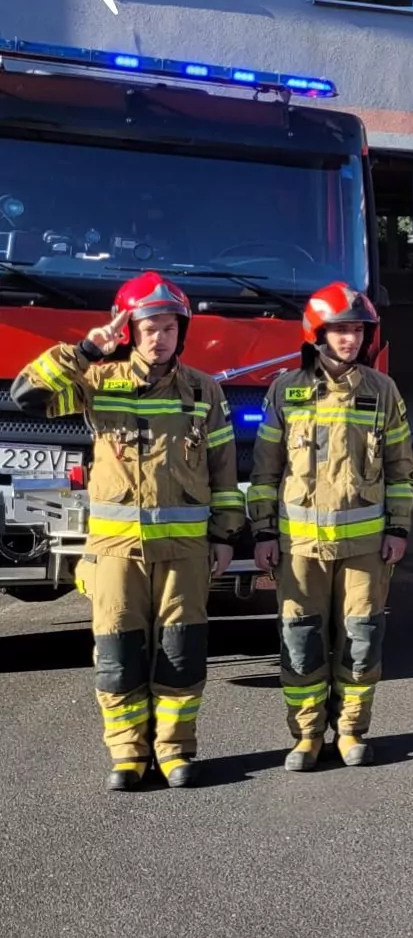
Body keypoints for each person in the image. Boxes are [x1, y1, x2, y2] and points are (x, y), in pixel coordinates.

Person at [12, 273, 240, 790]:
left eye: (168, 327)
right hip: (114, 551)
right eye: (148, 327)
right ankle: (127, 754)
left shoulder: (204, 390)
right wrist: (87, 348)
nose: (160, 337)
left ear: (181, 331)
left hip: (185, 552)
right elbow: (28, 394)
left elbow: (223, 470)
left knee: (182, 655)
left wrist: (226, 537)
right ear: (129, 330)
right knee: (117, 655)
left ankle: (175, 750)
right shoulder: (98, 380)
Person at [251, 283, 413, 771]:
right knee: (301, 641)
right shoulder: (286, 389)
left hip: (365, 546)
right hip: (299, 547)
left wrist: (398, 529)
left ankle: (350, 730)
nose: (351, 339)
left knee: (362, 640)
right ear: (318, 333)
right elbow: (265, 470)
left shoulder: (381, 391)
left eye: (358, 330)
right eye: (341, 330)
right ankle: (305, 735)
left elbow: (401, 468)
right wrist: (262, 533)